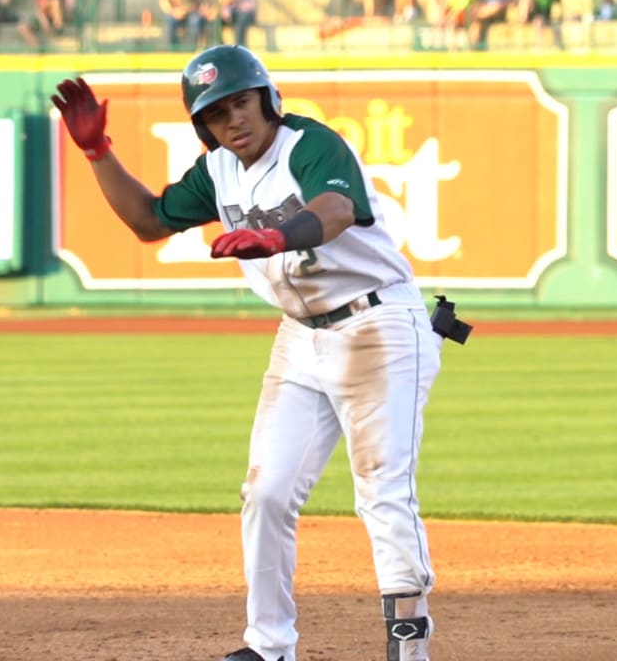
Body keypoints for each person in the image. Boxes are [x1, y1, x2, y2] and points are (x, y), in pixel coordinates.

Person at [50, 44, 452, 661]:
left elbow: (337, 209)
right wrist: (97, 153)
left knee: (382, 489)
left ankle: (409, 652)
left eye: (240, 103)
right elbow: (149, 221)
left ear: (265, 100)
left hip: (379, 326)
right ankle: (269, 649)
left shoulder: (310, 145)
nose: (232, 121)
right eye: (215, 114)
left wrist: (277, 234)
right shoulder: (218, 172)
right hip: (301, 337)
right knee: (265, 492)